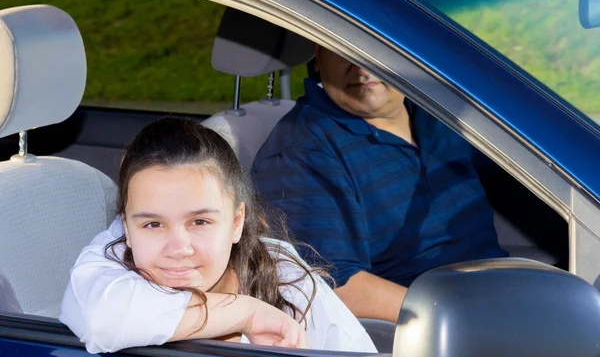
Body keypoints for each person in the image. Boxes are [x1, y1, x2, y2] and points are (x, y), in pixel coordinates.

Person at [60, 117, 376, 354]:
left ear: (237, 222)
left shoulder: (284, 274)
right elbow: (98, 318)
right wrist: (248, 313)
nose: (178, 248)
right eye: (153, 225)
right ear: (125, 229)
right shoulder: (109, 269)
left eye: (199, 222)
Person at [251, 46, 508, 323]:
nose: (362, 69)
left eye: (378, 48)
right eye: (344, 49)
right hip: (441, 329)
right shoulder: (303, 149)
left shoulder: (436, 113)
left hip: (501, 293)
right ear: (318, 54)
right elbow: (332, 287)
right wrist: (460, 319)